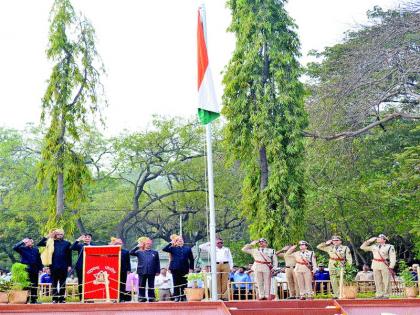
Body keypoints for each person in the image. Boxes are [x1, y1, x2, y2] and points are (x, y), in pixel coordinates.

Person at [37, 228, 72, 303]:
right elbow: (39, 244)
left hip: (64, 265)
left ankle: (62, 298)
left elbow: (69, 255)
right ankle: (55, 298)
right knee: (54, 283)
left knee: (63, 283)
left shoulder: (67, 243)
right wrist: (48, 236)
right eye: (58, 234)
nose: (59, 235)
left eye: (61, 234)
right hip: (53, 266)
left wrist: (69, 265)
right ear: (55, 235)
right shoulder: (50, 242)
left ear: (63, 235)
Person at [361, 234, 396, 299]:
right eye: (378, 237)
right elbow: (362, 247)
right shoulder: (374, 246)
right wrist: (369, 241)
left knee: (386, 280)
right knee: (377, 280)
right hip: (375, 264)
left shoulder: (389, 247)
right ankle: (379, 294)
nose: (378, 239)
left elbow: (393, 257)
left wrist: (391, 266)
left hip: (384, 264)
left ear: (384, 240)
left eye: (380, 238)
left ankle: (386, 294)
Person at [162, 234, 194, 302]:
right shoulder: (172, 248)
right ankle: (176, 297)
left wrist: (191, 268)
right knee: (176, 283)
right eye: (178, 240)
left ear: (183, 241)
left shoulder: (188, 248)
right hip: (175, 268)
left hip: (185, 268)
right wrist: (171, 242)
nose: (180, 241)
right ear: (176, 242)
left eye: (181, 240)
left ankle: (183, 297)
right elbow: (164, 249)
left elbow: (191, 259)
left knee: (184, 283)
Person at [13, 237, 43, 303]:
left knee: (34, 285)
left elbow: (39, 260)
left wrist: (40, 268)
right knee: (26, 285)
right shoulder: (22, 248)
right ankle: (25, 300)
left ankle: (34, 300)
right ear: (26, 242)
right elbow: (14, 247)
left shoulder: (36, 250)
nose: (31, 242)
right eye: (29, 241)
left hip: (35, 269)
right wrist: (22, 241)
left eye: (31, 241)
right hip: (26, 269)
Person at [130, 237, 160, 302]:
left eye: (149, 243)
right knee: (141, 284)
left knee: (151, 284)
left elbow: (157, 262)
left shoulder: (155, 252)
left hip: (152, 271)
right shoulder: (139, 252)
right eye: (147, 243)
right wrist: (137, 246)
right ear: (144, 244)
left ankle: (151, 297)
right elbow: (131, 252)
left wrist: (158, 271)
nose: (148, 245)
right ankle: (141, 297)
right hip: (142, 271)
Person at [110, 237, 132, 302]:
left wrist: (129, 270)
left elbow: (128, 262)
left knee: (122, 284)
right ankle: (114, 298)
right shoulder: (111, 250)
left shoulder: (126, 252)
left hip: (123, 270)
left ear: (122, 244)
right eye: (117, 243)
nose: (118, 244)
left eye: (120, 243)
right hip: (113, 271)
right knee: (114, 284)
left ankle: (121, 298)